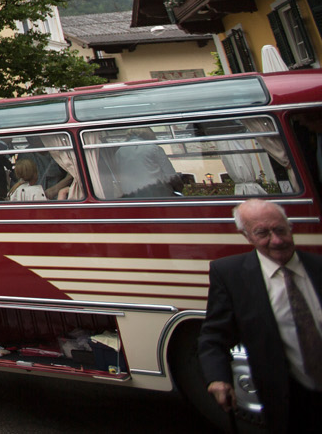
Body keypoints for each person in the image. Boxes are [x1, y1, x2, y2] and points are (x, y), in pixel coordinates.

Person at [199, 199, 322, 434]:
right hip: (288, 402)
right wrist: (217, 378)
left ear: (290, 227)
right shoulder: (230, 276)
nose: (276, 240)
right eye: (262, 233)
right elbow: (213, 336)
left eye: (280, 230)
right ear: (247, 237)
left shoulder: (318, 267)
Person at [115, 128, 178, 198]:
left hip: (130, 194)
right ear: (149, 135)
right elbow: (170, 175)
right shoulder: (154, 148)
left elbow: (119, 174)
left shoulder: (119, 151)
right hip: (155, 193)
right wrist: (179, 186)